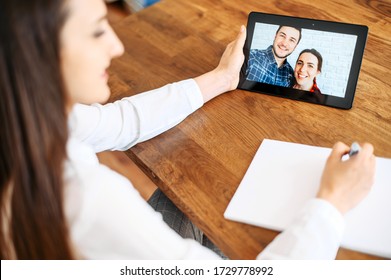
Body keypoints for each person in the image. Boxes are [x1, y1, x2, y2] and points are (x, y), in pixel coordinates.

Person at [0, 0, 376, 260]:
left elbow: (120, 121)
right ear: (36, 52)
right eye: (98, 32)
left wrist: (222, 78)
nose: (117, 44)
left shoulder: (25, 117)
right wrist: (332, 203)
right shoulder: (87, 199)